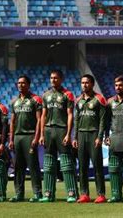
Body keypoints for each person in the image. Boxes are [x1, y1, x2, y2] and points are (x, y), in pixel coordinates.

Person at [38, 70, 78, 203]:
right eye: (51, 78)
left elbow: (70, 114)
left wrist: (68, 134)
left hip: (61, 130)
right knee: (48, 164)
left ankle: (71, 193)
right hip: (49, 130)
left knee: (66, 163)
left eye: (55, 78)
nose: (53, 80)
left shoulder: (68, 94)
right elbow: (43, 115)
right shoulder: (46, 95)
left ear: (61, 79)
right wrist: (42, 134)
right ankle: (49, 194)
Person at [73, 75, 107, 203]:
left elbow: (103, 120)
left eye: (87, 83)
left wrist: (100, 137)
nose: (84, 85)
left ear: (92, 84)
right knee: (82, 166)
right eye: (82, 83)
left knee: (97, 166)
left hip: (94, 135)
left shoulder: (99, 99)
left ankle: (101, 194)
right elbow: (77, 120)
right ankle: (84, 194)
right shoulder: (78, 100)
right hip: (81, 135)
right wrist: (75, 137)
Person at [8, 76, 43, 202]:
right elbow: (12, 122)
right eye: (19, 83)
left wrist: (36, 136)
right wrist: (11, 139)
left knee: (33, 166)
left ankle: (37, 193)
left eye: (23, 83)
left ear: (28, 84)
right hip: (17, 136)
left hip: (30, 135)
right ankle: (19, 193)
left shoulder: (36, 99)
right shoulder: (14, 101)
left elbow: (39, 119)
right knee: (18, 166)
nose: (20, 85)